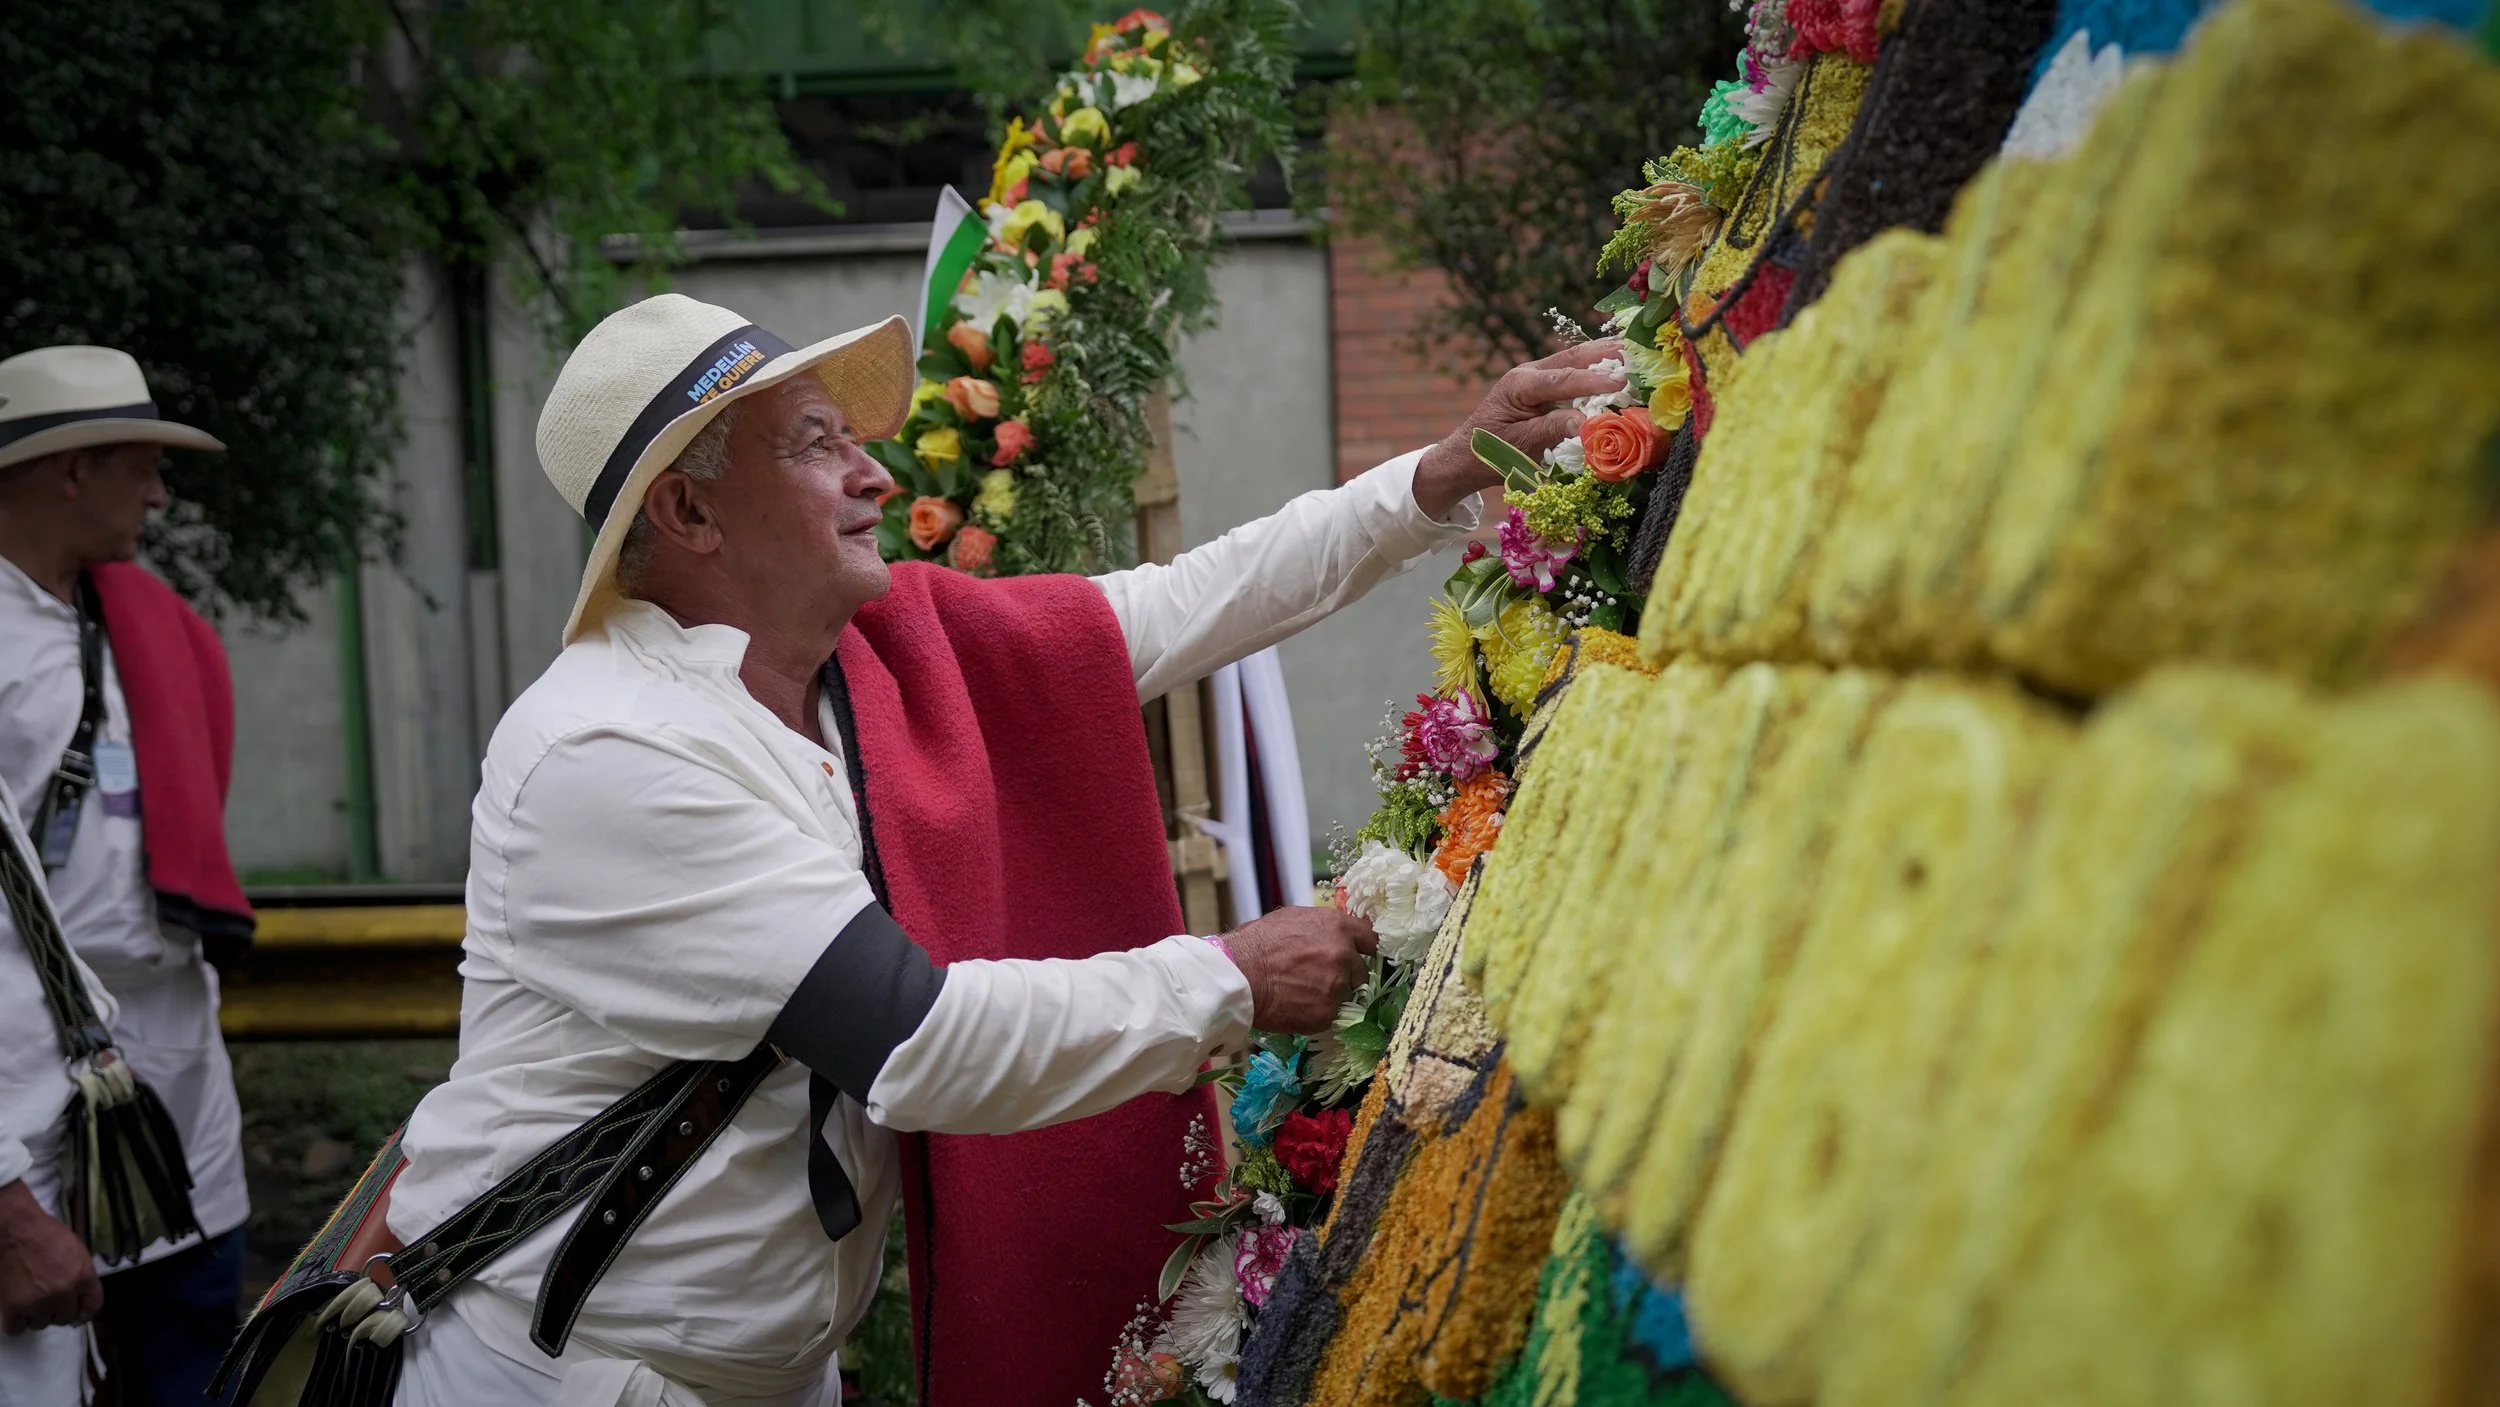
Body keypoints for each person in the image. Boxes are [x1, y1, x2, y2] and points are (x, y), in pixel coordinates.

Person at [381, 295, 1622, 1406]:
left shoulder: (849, 672)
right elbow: (915, 1043)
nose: (873, 475)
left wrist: (1444, 474)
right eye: (817, 444)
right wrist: (1233, 979)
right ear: (689, 511)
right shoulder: (611, 750)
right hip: (554, 1377)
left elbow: (1180, 602)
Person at [0, 346, 256, 1405]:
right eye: (141, 466)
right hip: (24, 1101)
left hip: (173, 1081)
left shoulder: (142, 627)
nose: (157, 494)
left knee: (187, 1361)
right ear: (71, 469)